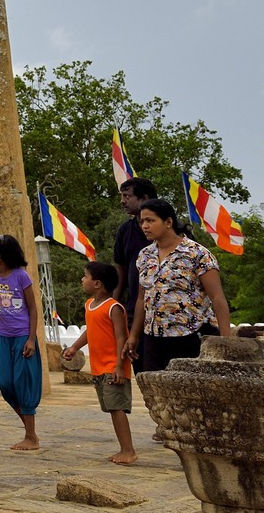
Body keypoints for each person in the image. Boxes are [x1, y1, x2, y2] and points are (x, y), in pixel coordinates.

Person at [124, 197, 232, 375]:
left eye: (150, 220)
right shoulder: (145, 255)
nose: (145, 226)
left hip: (190, 335)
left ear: (168, 222)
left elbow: (217, 297)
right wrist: (134, 336)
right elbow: (142, 298)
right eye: (142, 221)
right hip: (153, 337)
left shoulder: (197, 254)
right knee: (155, 394)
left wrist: (226, 340)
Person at [63, 261, 136, 465]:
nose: (82, 279)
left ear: (97, 283)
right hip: (99, 367)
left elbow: (121, 337)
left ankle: (128, 450)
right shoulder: (89, 305)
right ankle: (124, 448)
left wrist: (119, 366)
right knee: (111, 408)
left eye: (85, 276)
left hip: (113, 367)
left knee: (117, 408)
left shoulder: (114, 308)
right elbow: (89, 331)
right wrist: (74, 347)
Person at [0, 234, 40, 450]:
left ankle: (31, 435)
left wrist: (31, 339)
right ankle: (30, 431)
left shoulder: (21, 276)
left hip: (22, 335)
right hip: (2, 335)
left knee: (22, 383)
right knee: (6, 385)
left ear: (1, 254)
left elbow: (32, 308)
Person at [114, 176, 156, 328]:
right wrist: (113, 302)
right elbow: (121, 269)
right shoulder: (125, 231)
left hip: (167, 312)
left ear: (144, 198)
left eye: (127, 196)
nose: (122, 201)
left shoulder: (175, 231)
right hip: (134, 309)